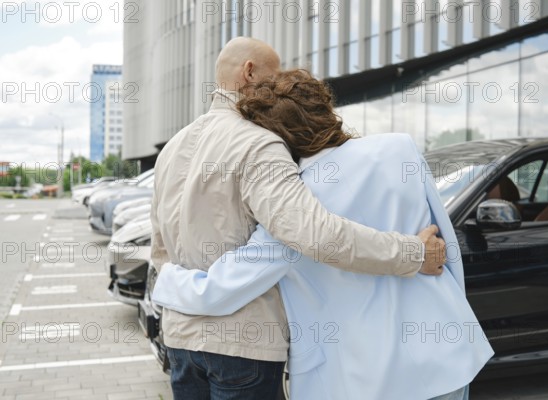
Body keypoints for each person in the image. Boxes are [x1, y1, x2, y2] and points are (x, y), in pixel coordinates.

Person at [152, 69, 495, 400]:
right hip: (447, 352)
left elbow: (221, 288)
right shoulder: (399, 149)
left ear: (274, 137)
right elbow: (443, 246)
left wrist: (167, 283)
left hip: (366, 378)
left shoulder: (296, 203)